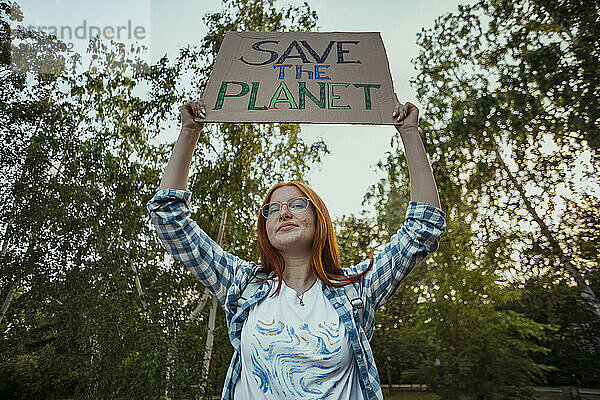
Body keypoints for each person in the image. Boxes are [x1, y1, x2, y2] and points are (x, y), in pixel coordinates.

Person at [146, 93, 446, 400]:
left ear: (319, 218)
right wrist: (189, 132)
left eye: (296, 204)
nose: (283, 212)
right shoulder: (242, 284)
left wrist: (409, 132)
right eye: (272, 210)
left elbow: (423, 228)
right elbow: (170, 221)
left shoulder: (357, 289)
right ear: (265, 229)